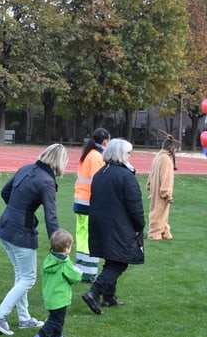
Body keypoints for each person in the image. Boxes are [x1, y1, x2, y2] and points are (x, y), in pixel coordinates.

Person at [0, 143, 69, 336]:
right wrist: (58, 245)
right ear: (60, 161)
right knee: (28, 278)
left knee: (21, 275)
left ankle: (24, 318)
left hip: (5, 226)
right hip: (19, 232)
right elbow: (51, 216)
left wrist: (19, 211)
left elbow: (5, 193)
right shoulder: (47, 181)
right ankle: (0, 315)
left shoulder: (26, 168)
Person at [81, 139, 145, 315]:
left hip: (101, 222)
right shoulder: (125, 176)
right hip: (117, 224)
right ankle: (95, 292)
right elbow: (135, 205)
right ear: (121, 154)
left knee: (112, 258)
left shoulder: (101, 173)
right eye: (128, 152)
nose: (130, 156)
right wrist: (139, 225)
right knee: (120, 261)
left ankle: (109, 296)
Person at [32, 228, 82, 337]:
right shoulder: (65, 264)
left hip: (50, 296)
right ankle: (40, 336)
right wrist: (79, 273)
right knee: (55, 320)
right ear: (66, 248)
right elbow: (75, 278)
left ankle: (56, 336)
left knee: (58, 318)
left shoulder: (49, 259)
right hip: (60, 298)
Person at [73, 128, 110, 282]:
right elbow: (98, 182)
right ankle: (88, 272)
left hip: (80, 200)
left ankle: (81, 269)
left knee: (82, 237)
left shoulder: (88, 154)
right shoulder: (96, 157)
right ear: (105, 141)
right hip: (89, 203)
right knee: (90, 238)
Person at [146, 134, 179, 240]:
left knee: (161, 212)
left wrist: (149, 184)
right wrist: (166, 193)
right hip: (161, 191)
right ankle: (154, 233)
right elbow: (166, 178)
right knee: (158, 212)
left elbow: (151, 172)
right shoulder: (166, 160)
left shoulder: (158, 156)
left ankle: (164, 231)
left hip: (155, 188)